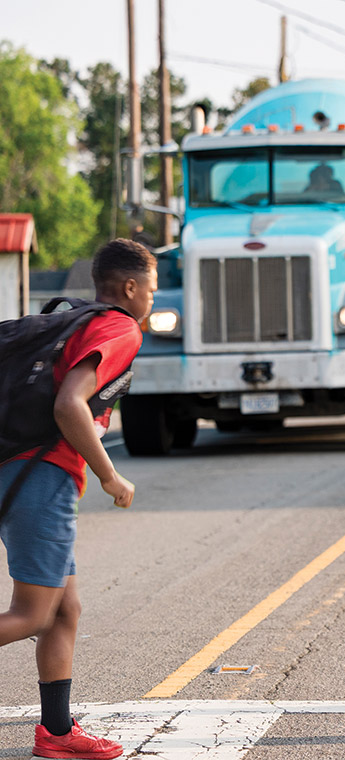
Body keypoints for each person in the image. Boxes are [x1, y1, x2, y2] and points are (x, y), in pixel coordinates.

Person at [0, 238, 157, 759]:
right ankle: (58, 732)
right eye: (151, 291)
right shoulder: (118, 327)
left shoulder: (74, 318)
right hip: (40, 476)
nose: (152, 302)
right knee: (31, 615)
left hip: (16, 469)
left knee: (64, 611)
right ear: (131, 287)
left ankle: (57, 732)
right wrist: (110, 475)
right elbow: (72, 404)